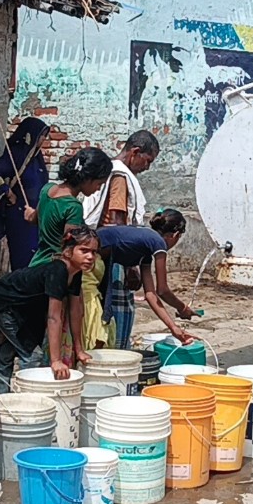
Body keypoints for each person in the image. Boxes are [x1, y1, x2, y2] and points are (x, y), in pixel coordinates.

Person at [0, 226, 99, 393]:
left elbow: (75, 312)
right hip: (5, 301)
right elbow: (53, 317)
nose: (90, 257)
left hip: (23, 308)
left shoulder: (75, 273)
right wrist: (56, 360)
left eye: (94, 252)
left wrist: (79, 349)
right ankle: (29, 400)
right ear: (68, 252)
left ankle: (2, 397)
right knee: (32, 356)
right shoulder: (58, 270)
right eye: (84, 250)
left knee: (8, 351)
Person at [26, 147, 112, 366]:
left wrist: (30, 214)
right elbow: (71, 245)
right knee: (58, 321)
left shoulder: (47, 190)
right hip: (58, 271)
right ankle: (59, 363)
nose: (98, 188)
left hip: (36, 265)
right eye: (99, 184)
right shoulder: (73, 206)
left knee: (38, 327)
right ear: (88, 178)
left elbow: (34, 218)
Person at [83, 131, 160, 348]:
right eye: (147, 160)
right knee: (115, 313)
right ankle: (115, 354)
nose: (147, 167)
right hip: (114, 255)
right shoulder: (120, 177)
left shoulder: (108, 171)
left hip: (100, 249)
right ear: (135, 152)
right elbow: (117, 224)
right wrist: (130, 266)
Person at [95, 210, 198, 345]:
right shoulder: (158, 243)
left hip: (95, 257)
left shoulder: (146, 246)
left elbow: (150, 295)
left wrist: (173, 327)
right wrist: (182, 308)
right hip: (91, 259)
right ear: (175, 235)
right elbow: (162, 290)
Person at [0, 117, 50, 271]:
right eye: (41, 136)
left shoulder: (36, 159)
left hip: (37, 215)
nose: (43, 140)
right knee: (23, 257)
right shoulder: (15, 155)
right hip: (20, 216)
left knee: (37, 257)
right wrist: (7, 191)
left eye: (45, 136)